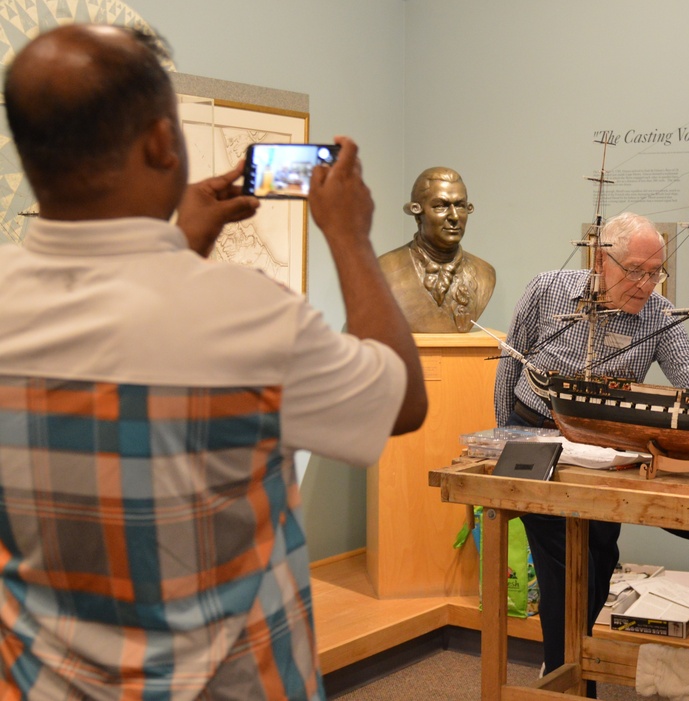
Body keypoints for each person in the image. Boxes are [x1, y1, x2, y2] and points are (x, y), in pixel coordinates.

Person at [0, 24, 427, 701]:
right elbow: (399, 402)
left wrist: (181, 244)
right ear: (162, 142)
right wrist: (349, 235)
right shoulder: (250, 315)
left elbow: (123, 341)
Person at [494, 211, 689, 698]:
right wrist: (504, 440)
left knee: (602, 556)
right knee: (566, 562)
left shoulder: (659, 314)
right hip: (537, 439)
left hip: (602, 450)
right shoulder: (547, 289)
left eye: (655, 272)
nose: (645, 284)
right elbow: (510, 363)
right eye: (634, 270)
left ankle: (566, 661)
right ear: (599, 259)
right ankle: (567, 673)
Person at [378, 167, 496, 333]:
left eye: (460, 206)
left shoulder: (485, 272)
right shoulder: (384, 270)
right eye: (441, 206)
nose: (455, 217)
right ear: (418, 213)